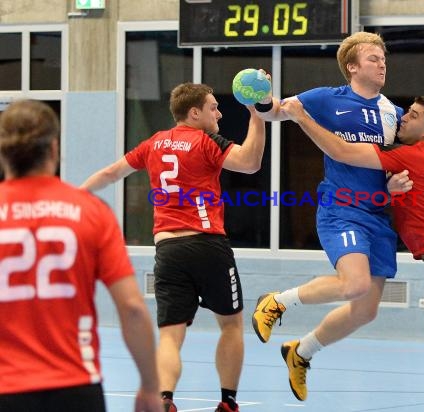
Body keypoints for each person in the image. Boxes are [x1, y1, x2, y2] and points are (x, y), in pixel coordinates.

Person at [281, 95, 424, 412]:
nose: (404, 118)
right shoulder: (423, 157)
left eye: (414, 116)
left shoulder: (411, 156)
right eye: (406, 112)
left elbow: (340, 151)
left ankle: (281, 305)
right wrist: (389, 194)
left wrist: (301, 116)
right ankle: (302, 350)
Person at [80, 82, 266, 412]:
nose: (219, 112)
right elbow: (250, 162)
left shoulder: (154, 143)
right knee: (232, 325)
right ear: (194, 113)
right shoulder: (205, 140)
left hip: (167, 250)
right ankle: (227, 402)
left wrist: (76, 196)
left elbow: (112, 173)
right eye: (213, 107)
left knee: (170, 335)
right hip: (208, 244)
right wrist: (256, 114)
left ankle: (164, 399)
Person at [251, 31, 410, 401]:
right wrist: (262, 98)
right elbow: (279, 111)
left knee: (365, 310)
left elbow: (397, 164)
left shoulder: (394, 114)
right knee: (353, 284)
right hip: (342, 209)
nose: (382, 63)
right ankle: (277, 301)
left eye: (384, 57)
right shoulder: (326, 99)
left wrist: (397, 182)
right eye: (373, 58)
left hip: (378, 216)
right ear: (352, 67)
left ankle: (301, 352)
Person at [0, 100, 162, 412]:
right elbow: (132, 309)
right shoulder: (90, 212)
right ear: (53, 149)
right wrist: (150, 387)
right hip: (75, 387)